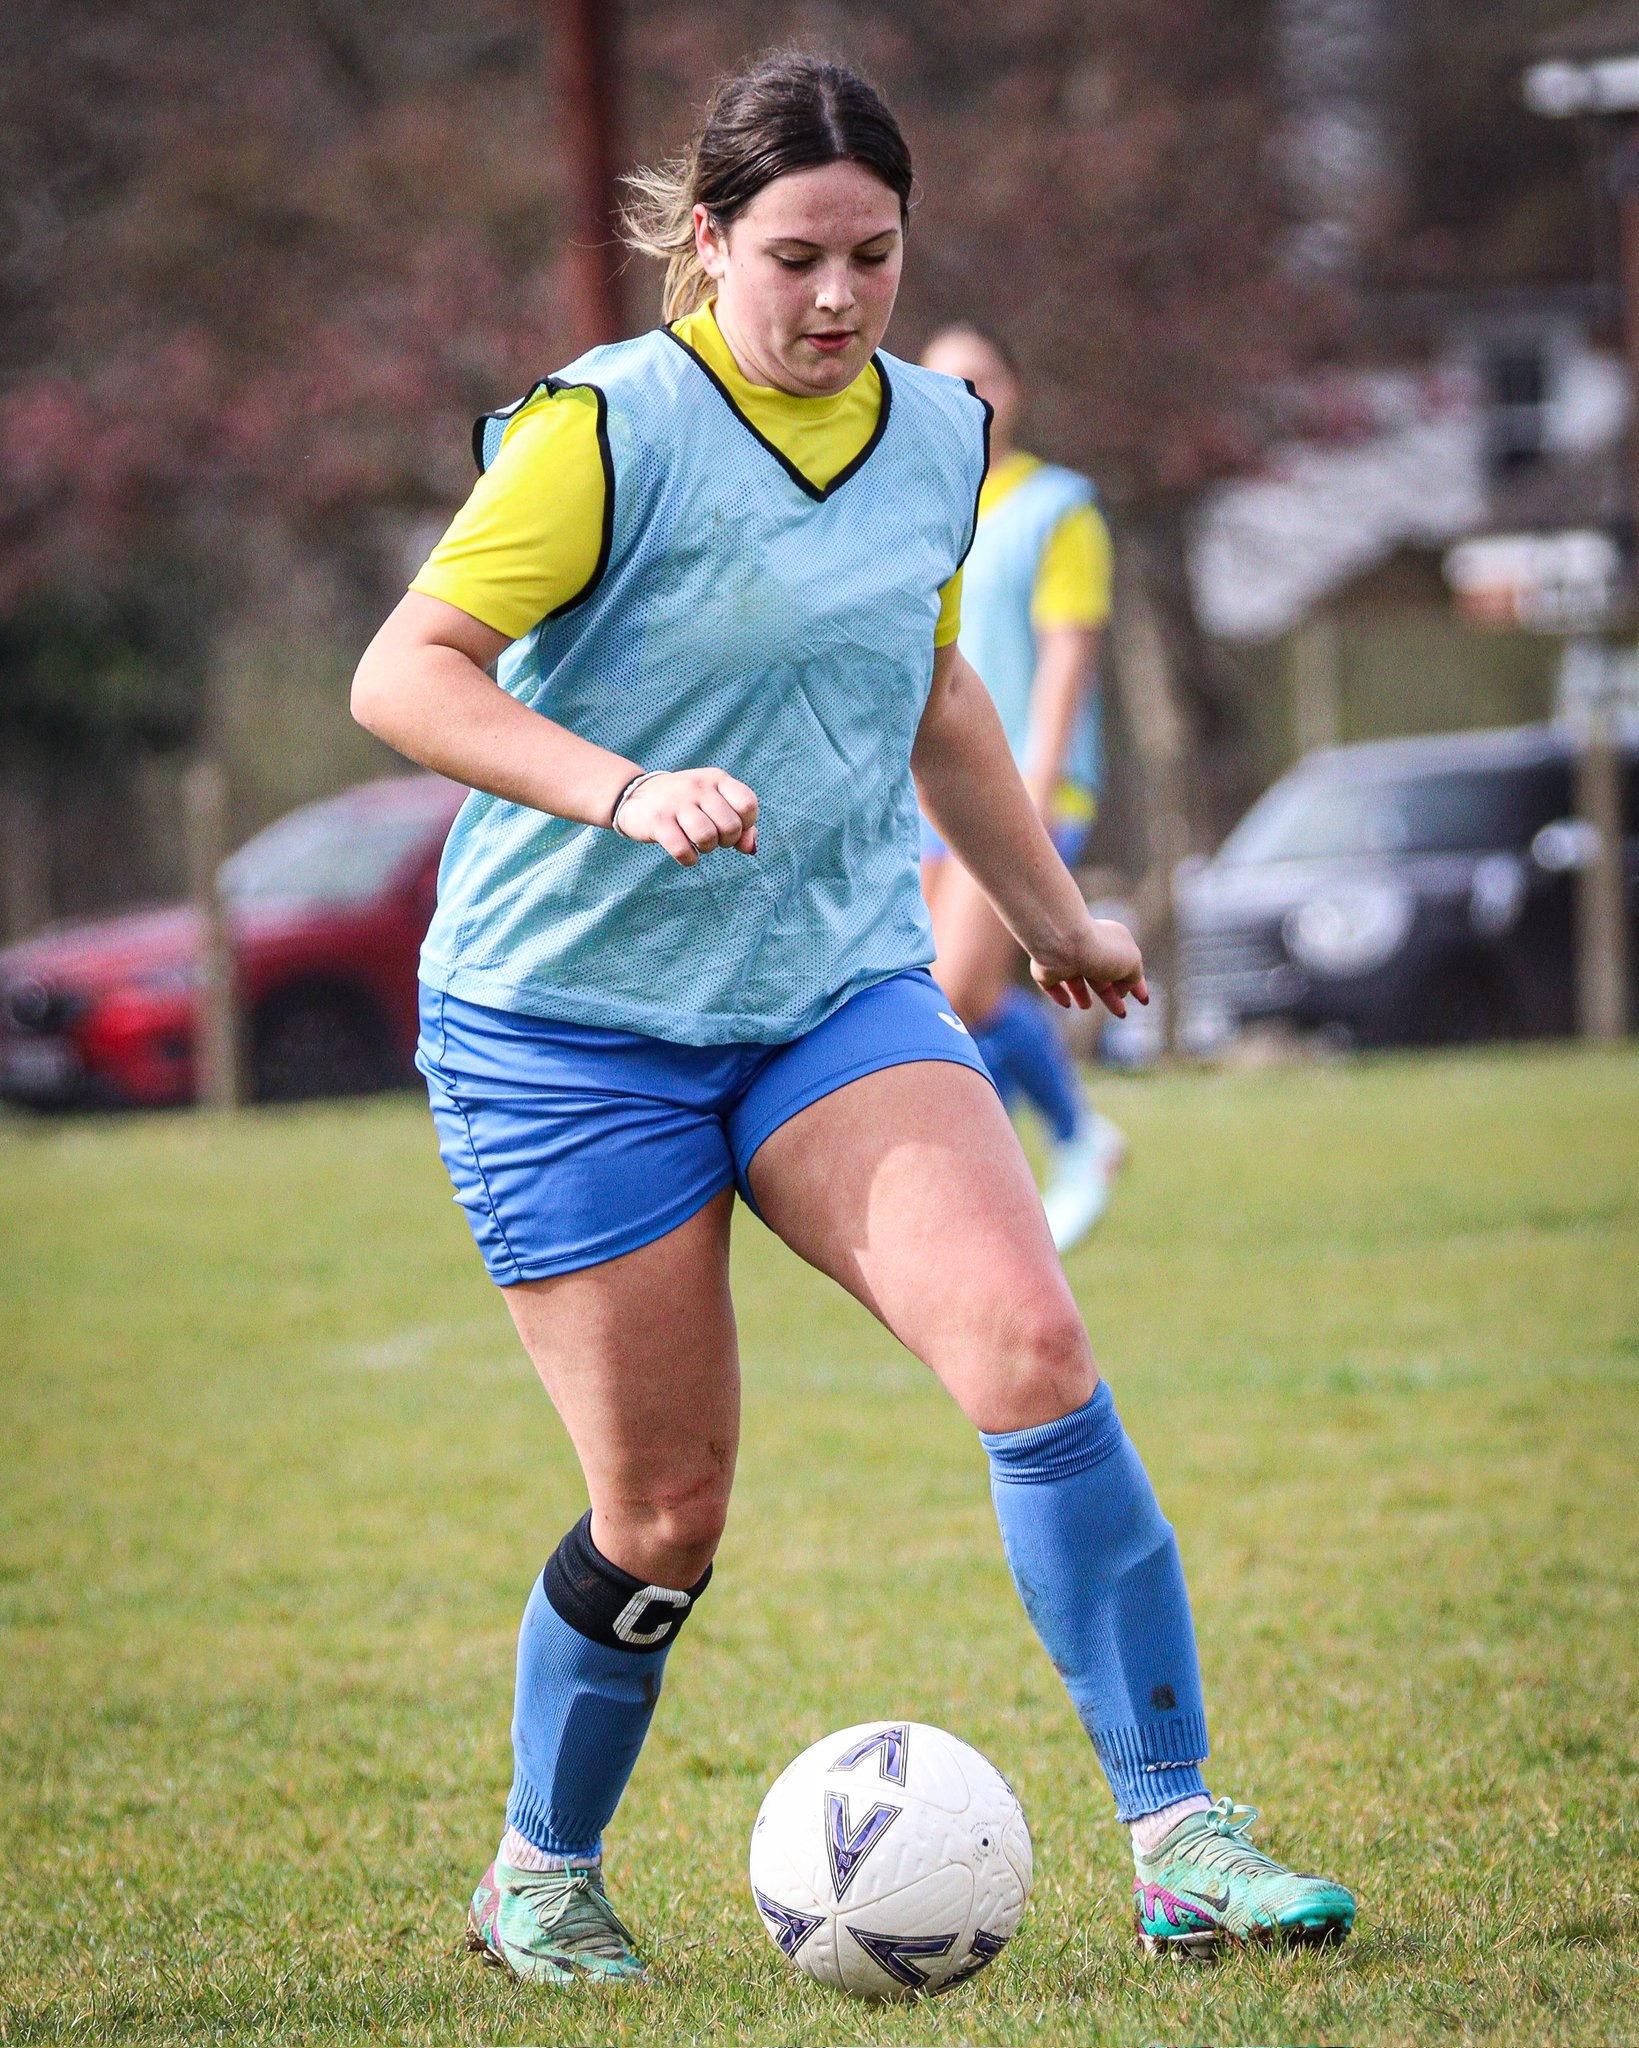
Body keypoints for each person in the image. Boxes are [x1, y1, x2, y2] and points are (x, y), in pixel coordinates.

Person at [352, 52, 1355, 1986]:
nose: (832, 300)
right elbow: (406, 673)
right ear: (706, 242)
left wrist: (1050, 913)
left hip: (826, 990)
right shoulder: (601, 432)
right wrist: (620, 786)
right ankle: (538, 1874)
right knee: (661, 1508)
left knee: (1032, 1351)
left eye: (871, 258)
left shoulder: (933, 438)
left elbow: (936, 696)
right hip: (565, 1025)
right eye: (793, 256)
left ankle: (1176, 1833)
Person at [919, 324, 1124, 1252]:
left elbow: (1064, 660)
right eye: (944, 382)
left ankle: (1073, 1140)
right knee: (942, 997)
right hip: (921, 795)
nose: (968, 397)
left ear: (1016, 389)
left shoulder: (1057, 508)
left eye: (984, 377)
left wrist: (1032, 794)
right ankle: (1037, 1161)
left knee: (958, 992)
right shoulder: (914, 507)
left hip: (1020, 792)